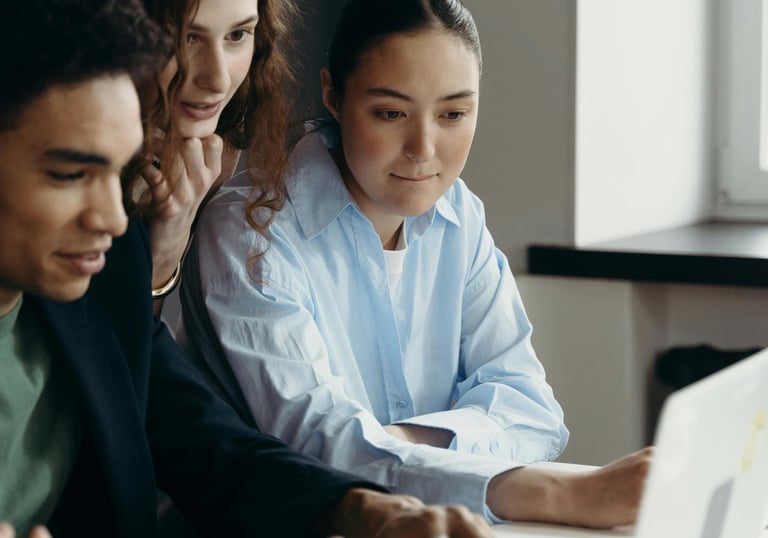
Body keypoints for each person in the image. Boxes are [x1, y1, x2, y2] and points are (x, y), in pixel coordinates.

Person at [0, 0, 496, 536]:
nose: (114, 218)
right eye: (69, 175)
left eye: (120, 172)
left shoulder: (101, 279)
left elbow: (209, 446)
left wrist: (363, 509)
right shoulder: (238, 231)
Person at [179, 0, 653, 529]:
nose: (423, 150)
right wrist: (557, 491)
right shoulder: (251, 231)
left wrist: (399, 440)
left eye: (453, 114)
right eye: (391, 113)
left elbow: (533, 411)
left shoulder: (458, 214)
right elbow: (319, 451)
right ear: (333, 95)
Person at [134, 0, 297, 317]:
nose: (218, 79)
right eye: (187, 38)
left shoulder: (216, 140)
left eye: (237, 35)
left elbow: (139, 336)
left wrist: (164, 255)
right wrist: (160, 259)